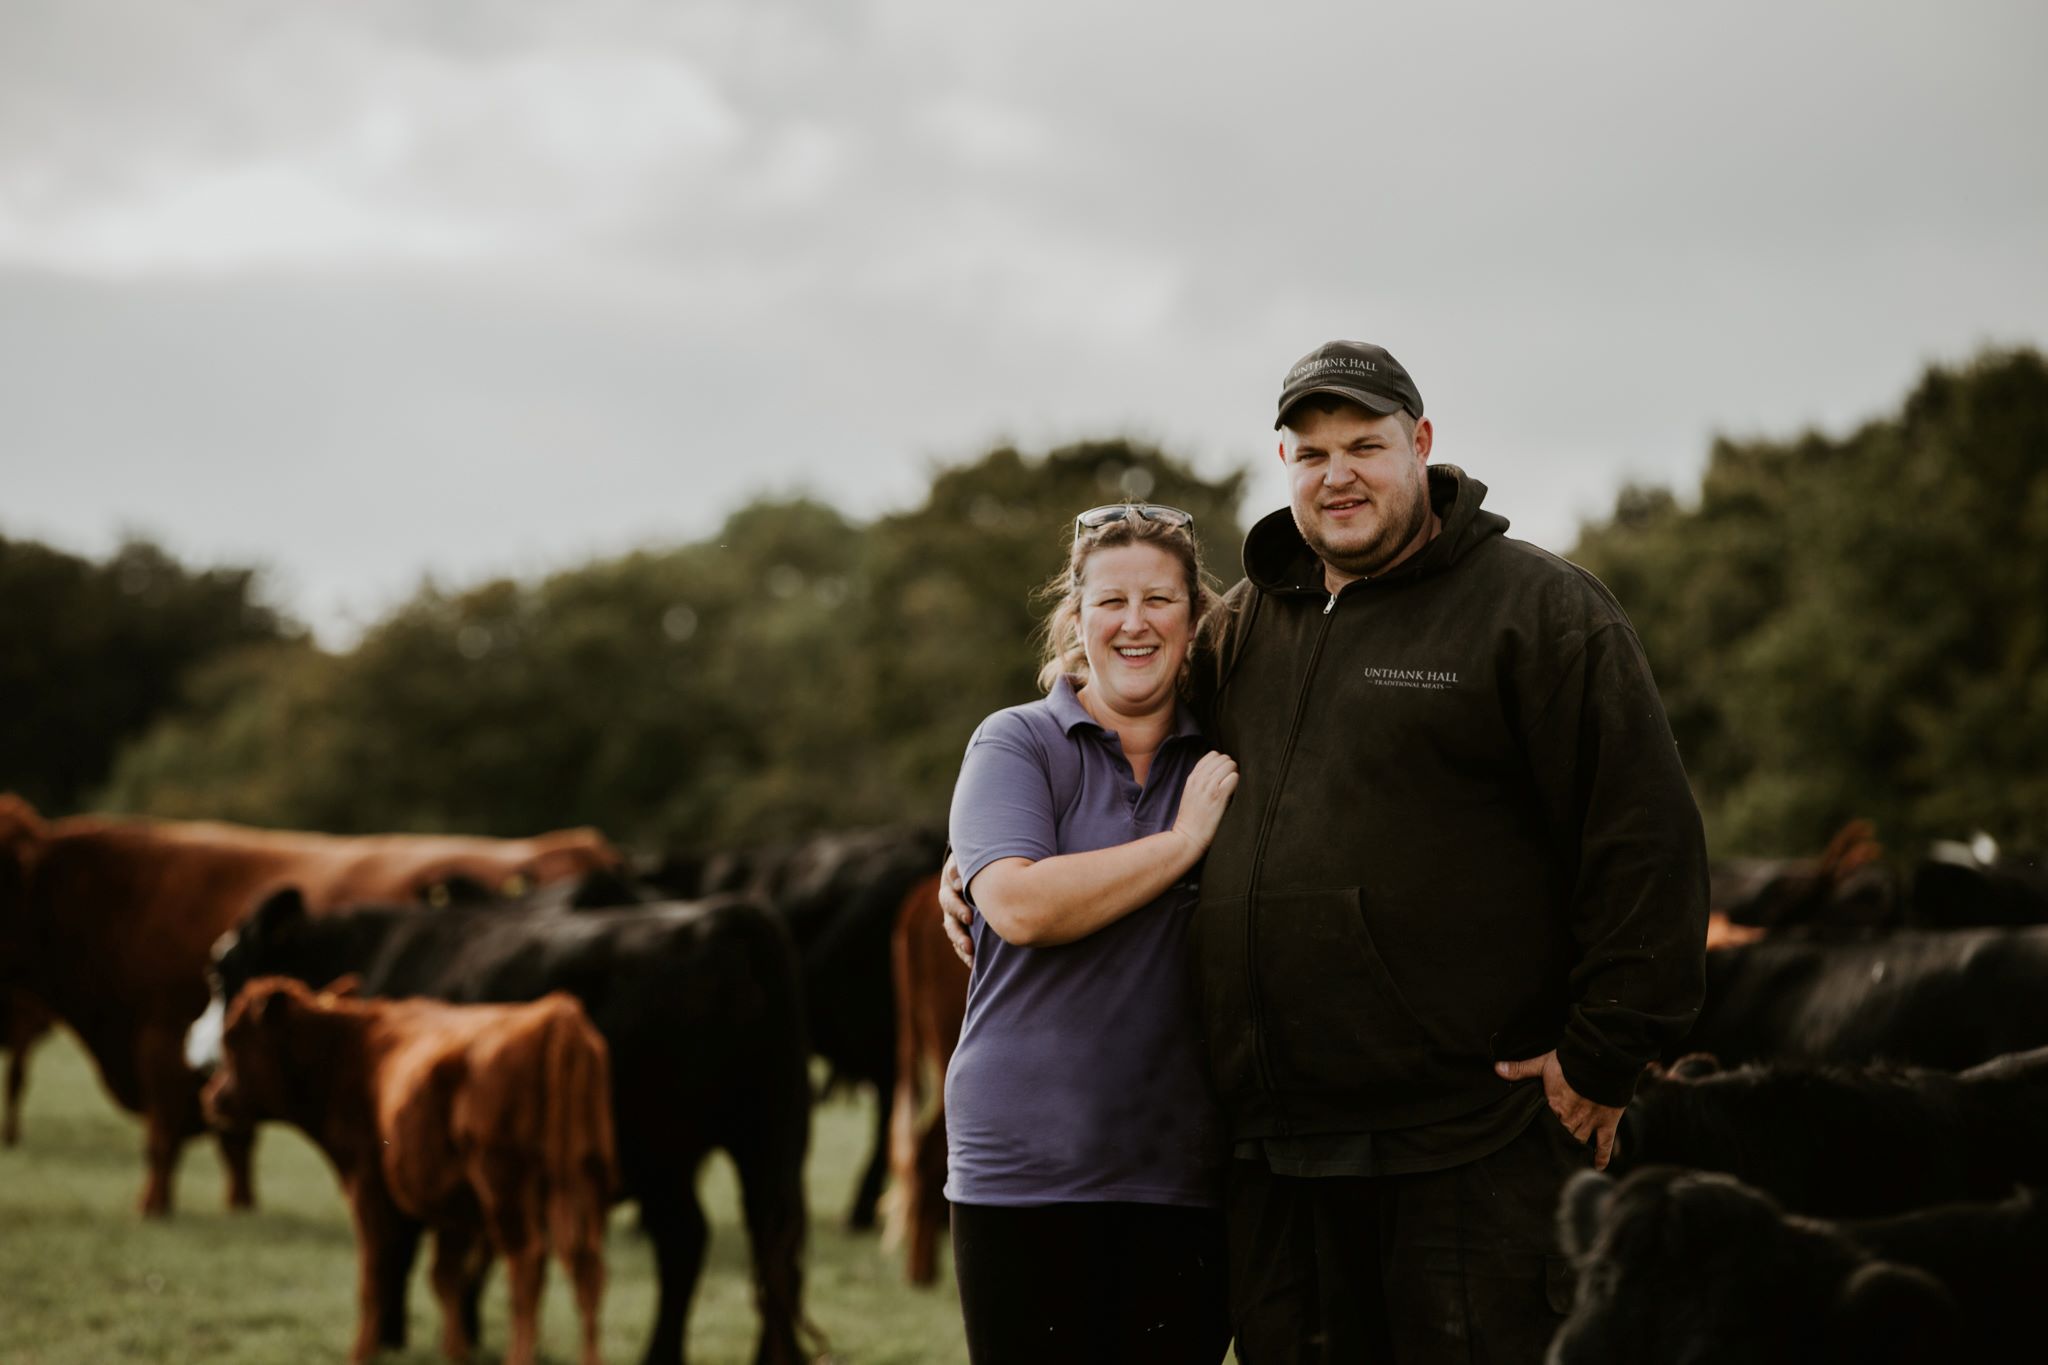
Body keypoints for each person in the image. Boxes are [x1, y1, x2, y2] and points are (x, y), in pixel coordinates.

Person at [945, 340, 1709, 1363]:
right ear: (1283, 466)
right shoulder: (1246, 626)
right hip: (1277, 1155)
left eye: (1363, 444)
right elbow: (1119, 749)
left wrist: (1604, 1049)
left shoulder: (1537, 611)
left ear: (1420, 446)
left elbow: (1643, 839)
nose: (1335, 472)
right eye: (1309, 453)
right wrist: (978, 868)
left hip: (1465, 1139)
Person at [943, 503, 1240, 1365]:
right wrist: (1181, 845)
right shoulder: (1016, 743)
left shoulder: (1226, 759)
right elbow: (1022, 906)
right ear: (1076, 618)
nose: (1135, 622)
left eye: (1160, 599)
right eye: (1110, 601)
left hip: (1180, 1169)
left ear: (1195, 619)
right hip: (1021, 1166)